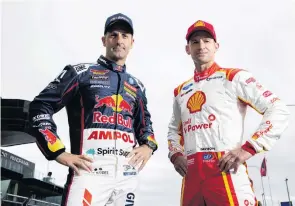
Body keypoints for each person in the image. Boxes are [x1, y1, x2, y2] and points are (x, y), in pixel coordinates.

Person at [28, 13, 158, 206]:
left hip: (126, 178)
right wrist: (57, 152)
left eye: (125, 36)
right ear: (104, 40)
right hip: (88, 174)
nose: (119, 40)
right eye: (113, 35)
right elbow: (40, 106)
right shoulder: (80, 73)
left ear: (132, 42)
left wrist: (148, 146)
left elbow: (145, 125)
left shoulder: (137, 86)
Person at [167, 20, 289, 205]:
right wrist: (176, 155)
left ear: (216, 46)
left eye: (207, 41)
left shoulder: (234, 77)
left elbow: (277, 108)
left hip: (226, 170)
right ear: (187, 49)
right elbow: (173, 131)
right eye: (195, 42)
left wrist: (250, 147)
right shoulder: (180, 91)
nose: (201, 46)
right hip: (192, 177)